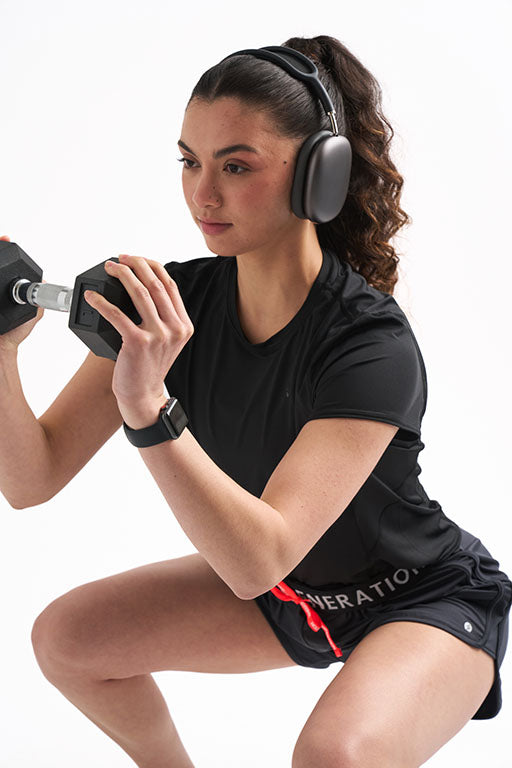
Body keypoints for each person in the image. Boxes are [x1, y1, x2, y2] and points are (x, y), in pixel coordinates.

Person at [1, 33, 511, 768]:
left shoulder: (370, 343)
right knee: (69, 640)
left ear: (319, 177)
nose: (202, 195)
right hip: (296, 599)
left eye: (236, 166)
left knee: (332, 756)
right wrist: (2, 352)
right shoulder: (171, 308)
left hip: (421, 597)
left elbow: (257, 562)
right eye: (189, 161)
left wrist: (148, 408)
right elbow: (30, 479)